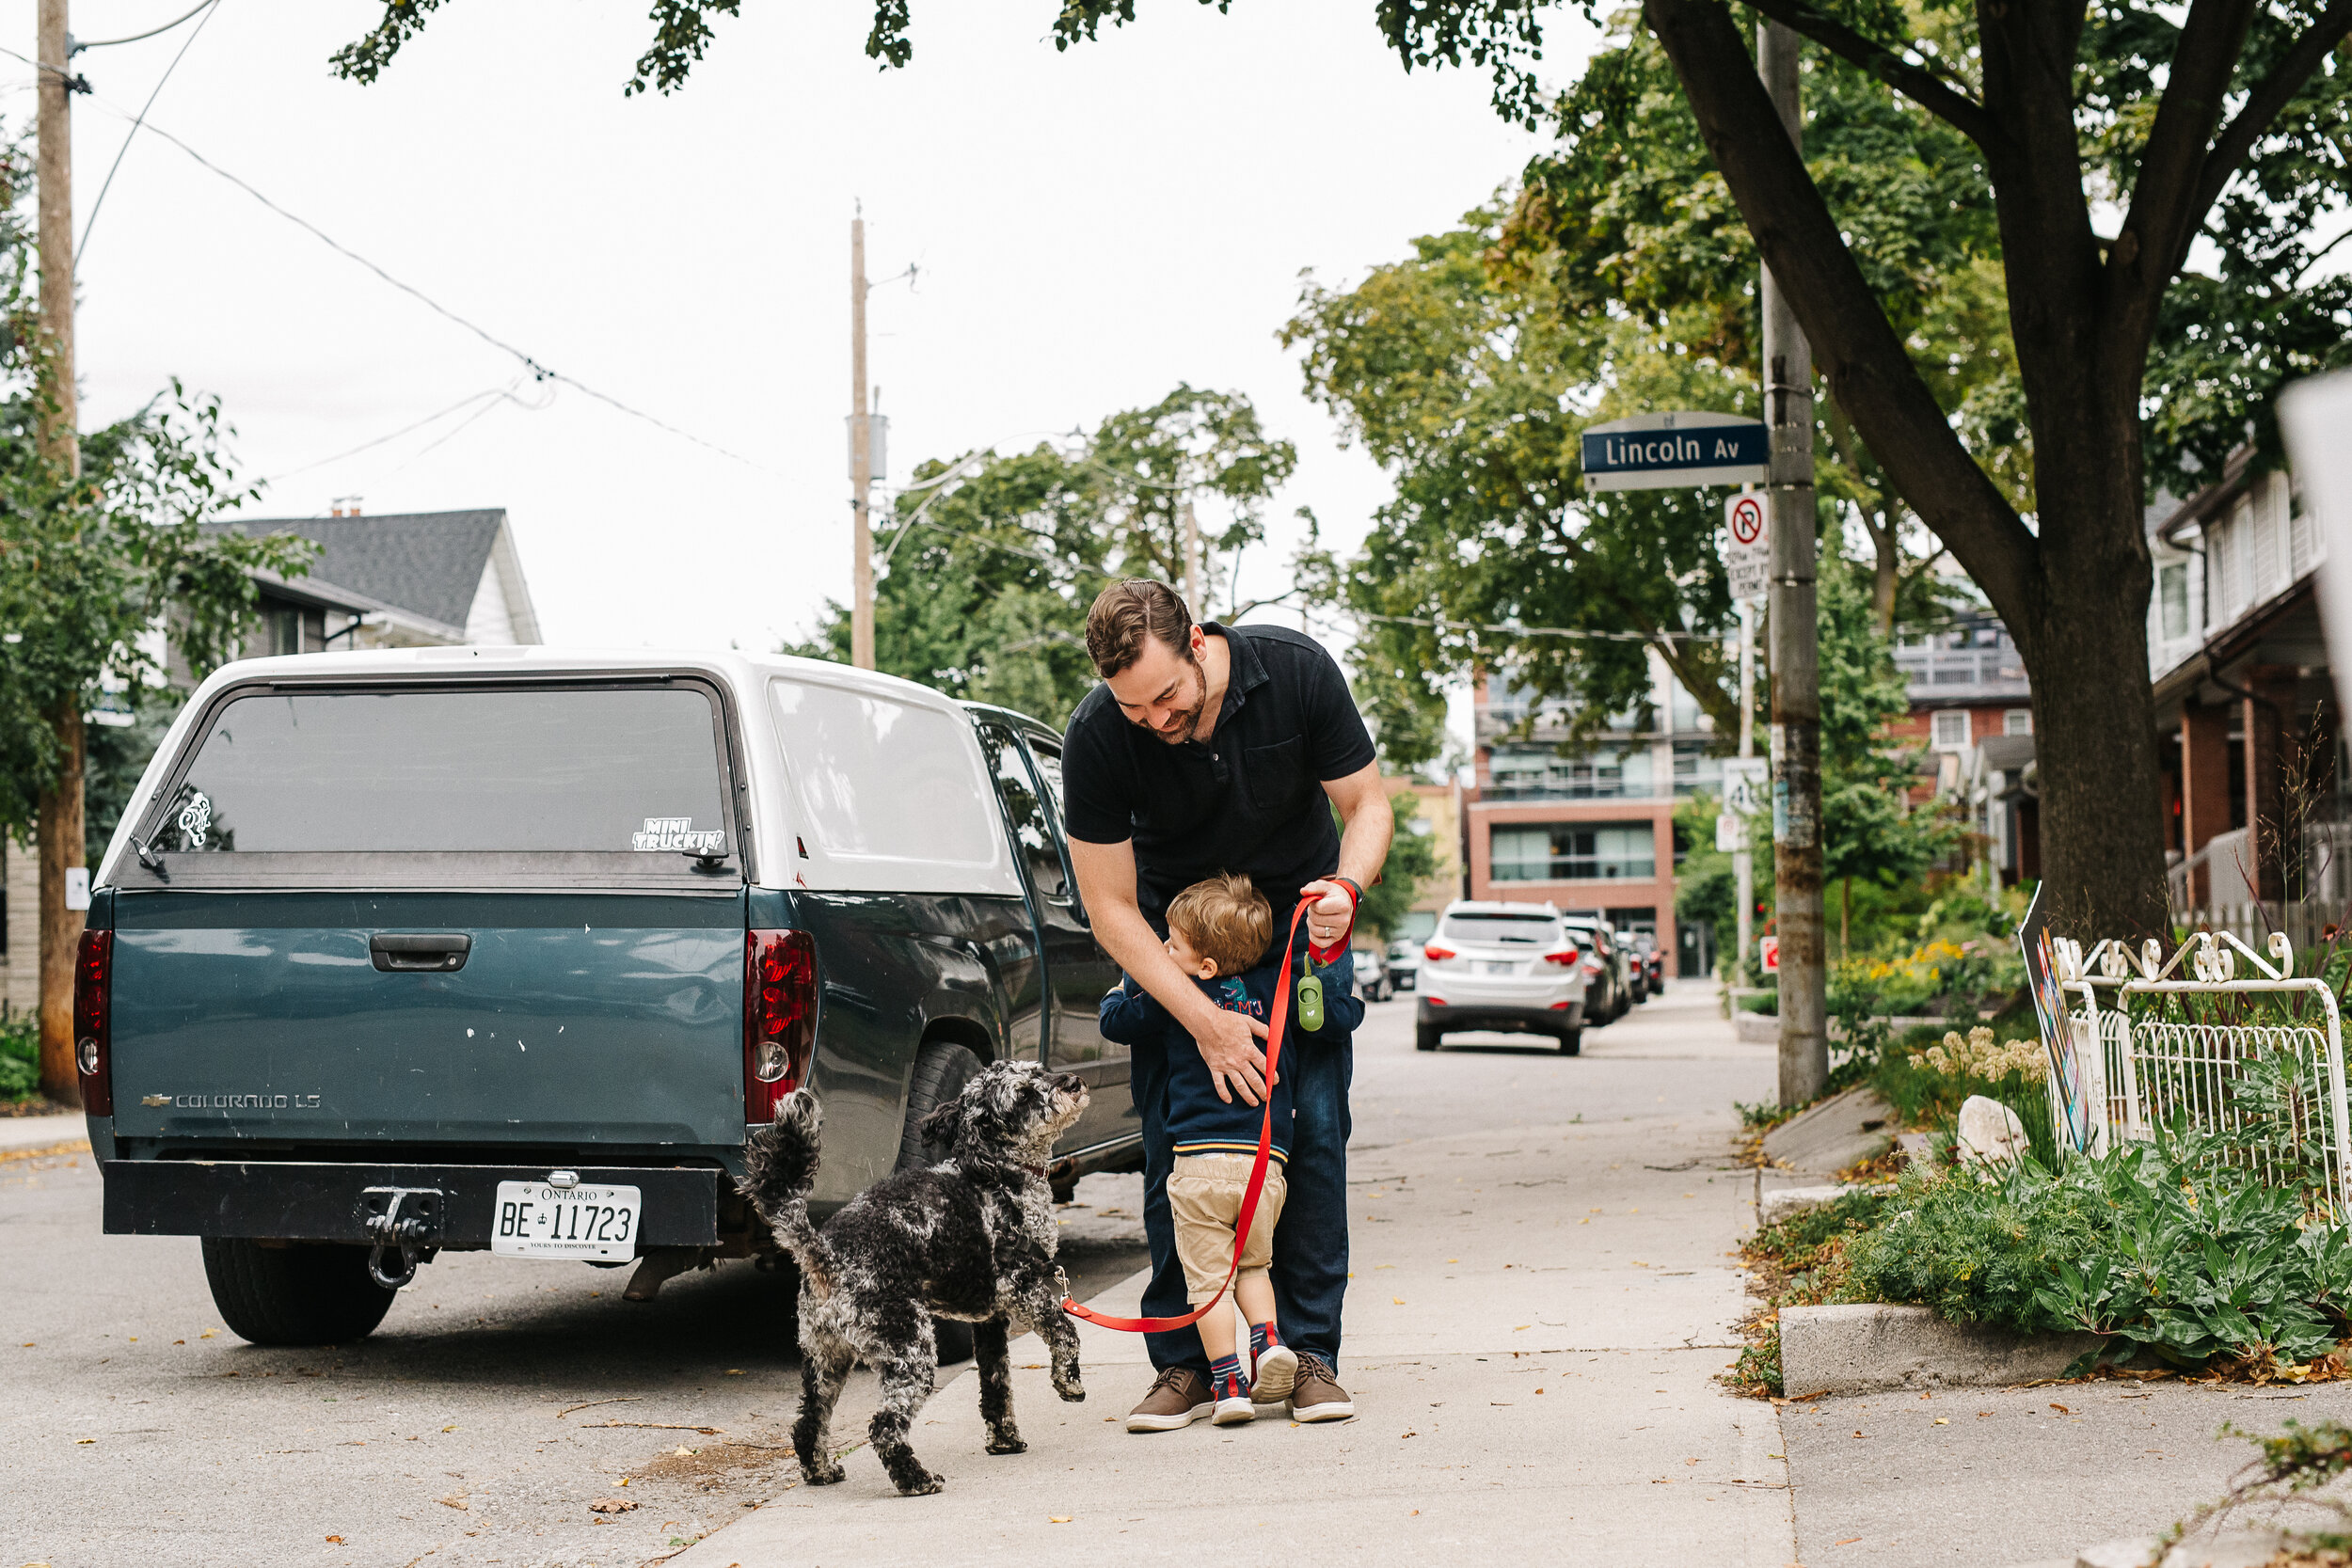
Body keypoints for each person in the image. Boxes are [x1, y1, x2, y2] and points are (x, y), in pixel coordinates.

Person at [1059, 578, 1392, 1432]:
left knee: (1310, 1135)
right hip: (1178, 950)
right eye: (1135, 709)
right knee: (1177, 1149)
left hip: (1300, 930)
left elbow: (1366, 804)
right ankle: (1188, 1364)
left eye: (1166, 696)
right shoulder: (1099, 735)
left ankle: (1310, 1354)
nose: (1156, 721)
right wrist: (1201, 1018)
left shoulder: (1296, 672)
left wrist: (1347, 889)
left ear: (1198, 641)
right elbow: (1110, 906)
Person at [1098, 873, 1363, 1425]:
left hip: (1198, 1168)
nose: (1163, 952)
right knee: (1254, 1266)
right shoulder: (1280, 988)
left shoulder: (1175, 998)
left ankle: (1227, 1385)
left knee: (1209, 1283)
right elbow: (1336, 1020)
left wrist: (1122, 989)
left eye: (1171, 944)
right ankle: (1269, 1345)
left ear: (1206, 967)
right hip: (1267, 1170)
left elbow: (1117, 1023)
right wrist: (1340, 1002)